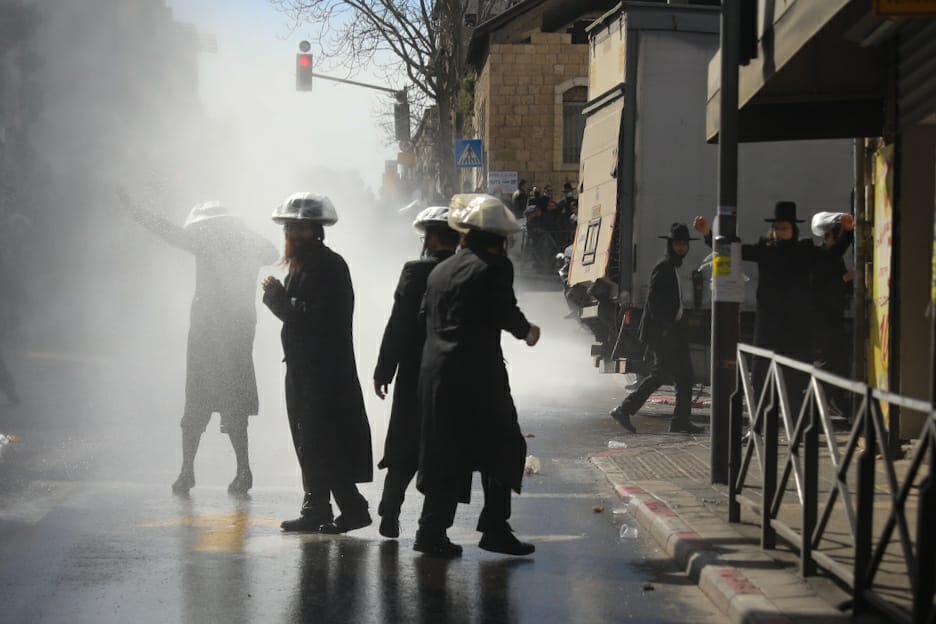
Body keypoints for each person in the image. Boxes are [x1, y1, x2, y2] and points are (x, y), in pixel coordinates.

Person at [117, 190, 277, 496]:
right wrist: (244, 233)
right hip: (235, 333)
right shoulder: (247, 243)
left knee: (199, 403)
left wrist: (137, 212)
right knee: (231, 405)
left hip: (210, 334)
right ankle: (235, 471)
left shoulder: (206, 242)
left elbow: (169, 232)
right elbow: (271, 251)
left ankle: (191, 471)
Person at [414, 193, 541, 558]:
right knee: (505, 446)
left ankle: (431, 531)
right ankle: (495, 529)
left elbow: (424, 316)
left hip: (436, 375)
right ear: (497, 239)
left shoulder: (440, 270)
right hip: (477, 376)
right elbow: (505, 310)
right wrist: (527, 331)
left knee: (445, 451)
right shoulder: (495, 266)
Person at [262, 192, 373, 533]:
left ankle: (351, 508)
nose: (293, 235)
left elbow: (316, 319)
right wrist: (280, 299)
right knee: (307, 439)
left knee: (323, 440)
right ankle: (317, 508)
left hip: (324, 372)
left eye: (301, 228)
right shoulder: (301, 266)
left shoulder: (329, 265)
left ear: (315, 231)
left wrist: (279, 300)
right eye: (291, 228)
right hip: (301, 369)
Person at [693, 202, 854, 403]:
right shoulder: (766, 249)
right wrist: (708, 233)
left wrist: (847, 233)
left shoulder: (804, 250)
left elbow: (830, 256)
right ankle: (760, 426)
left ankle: (796, 427)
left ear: (792, 230)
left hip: (797, 325)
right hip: (769, 323)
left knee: (795, 378)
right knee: (763, 377)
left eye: (784, 228)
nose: (779, 232)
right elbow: (734, 251)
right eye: (776, 228)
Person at [373, 206, 460, 539]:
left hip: (413, 371)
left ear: (431, 237)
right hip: (449, 373)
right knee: (442, 448)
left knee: (404, 445)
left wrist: (384, 370)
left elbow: (398, 325)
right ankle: (431, 527)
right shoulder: (463, 270)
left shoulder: (414, 270)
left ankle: (390, 509)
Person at [609, 223, 703, 434]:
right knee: (664, 374)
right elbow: (654, 303)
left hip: (672, 331)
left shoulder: (672, 268)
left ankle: (679, 420)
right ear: (670, 245)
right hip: (663, 333)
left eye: (684, 244)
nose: (682, 248)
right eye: (678, 244)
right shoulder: (664, 268)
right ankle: (625, 409)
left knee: (683, 375)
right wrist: (665, 331)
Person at [810, 211, 855, 402]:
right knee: (827, 358)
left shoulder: (831, 256)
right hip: (823, 315)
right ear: (828, 237)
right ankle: (820, 400)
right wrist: (843, 279)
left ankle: (831, 399)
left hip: (832, 313)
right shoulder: (822, 255)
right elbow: (819, 286)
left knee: (837, 356)